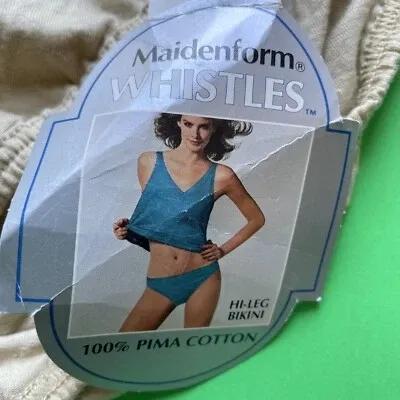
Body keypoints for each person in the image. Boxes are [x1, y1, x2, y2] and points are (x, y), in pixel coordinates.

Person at [113, 113, 265, 332]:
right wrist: (129, 230)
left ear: (214, 129)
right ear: (177, 123)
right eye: (188, 124)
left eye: (204, 126)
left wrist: (222, 250)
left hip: (203, 277)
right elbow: (159, 220)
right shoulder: (148, 162)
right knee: (123, 344)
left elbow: (256, 219)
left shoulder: (222, 176)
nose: (195, 134)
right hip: (160, 282)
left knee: (193, 349)